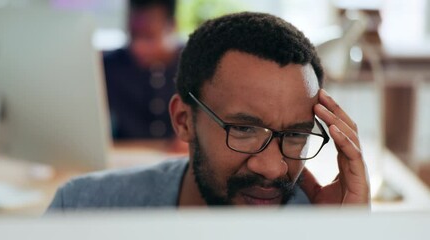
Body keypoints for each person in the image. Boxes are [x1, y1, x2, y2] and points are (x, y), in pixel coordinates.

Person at [48, 12, 370, 210]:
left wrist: (345, 234)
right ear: (183, 120)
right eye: (243, 129)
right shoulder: (83, 209)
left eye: (297, 135)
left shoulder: (325, 220)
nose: (273, 168)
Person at [104, 0, 181, 140]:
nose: (137, 47)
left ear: (172, 27)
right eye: (133, 35)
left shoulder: (194, 63)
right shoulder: (110, 66)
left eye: (148, 37)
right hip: (127, 156)